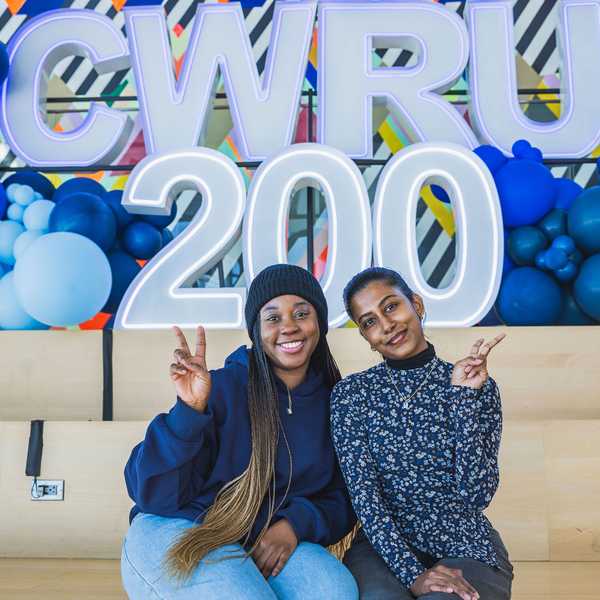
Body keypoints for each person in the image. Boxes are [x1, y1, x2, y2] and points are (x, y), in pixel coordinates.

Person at [121, 264, 358, 600]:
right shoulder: (223, 386)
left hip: (258, 537)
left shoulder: (336, 402)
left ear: (319, 322)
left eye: (301, 313)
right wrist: (188, 413)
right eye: (273, 318)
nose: (289, 327)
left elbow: (341, 497)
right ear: (256, 330)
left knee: (335, 592)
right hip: (178, 528)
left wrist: (295, 524)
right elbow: (152, 494)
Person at [331, 267, 513, 600]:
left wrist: (463, 399)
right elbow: (366, 500)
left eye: (391, 307)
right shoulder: (352, 395)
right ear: (366, 338)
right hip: (383, 548)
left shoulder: (476, 388)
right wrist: (414, 575)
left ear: (417, 304)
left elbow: (477, 496)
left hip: (466, 542)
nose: (386, 325)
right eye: (369, 322)